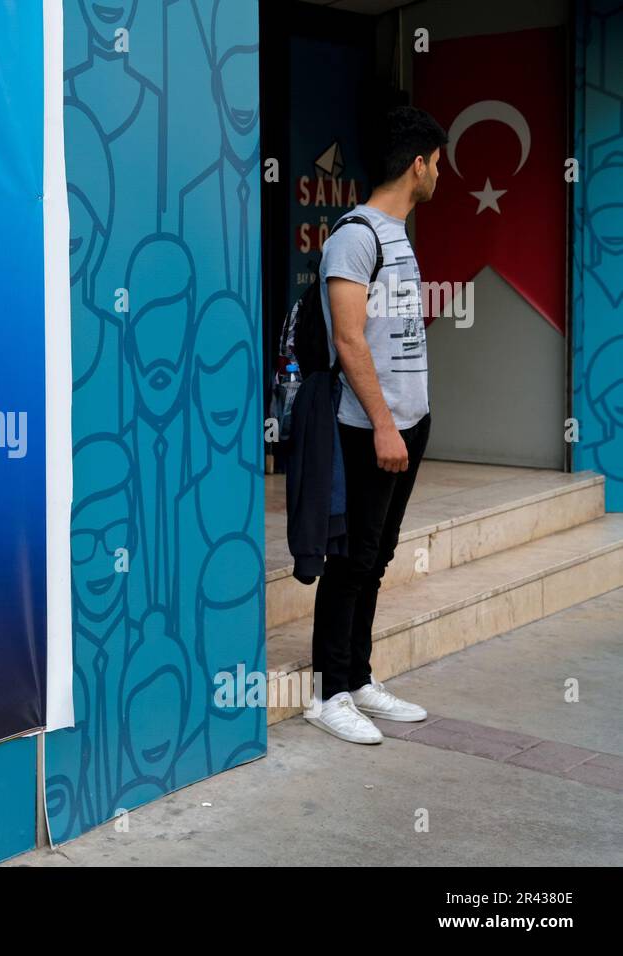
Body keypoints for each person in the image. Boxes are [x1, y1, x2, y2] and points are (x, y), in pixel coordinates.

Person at [304, 106, 446, 745]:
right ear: (418, 165)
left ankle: (358, 678)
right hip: (367, 428)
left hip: (408, 421)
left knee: (378, 555)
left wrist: (412, 420)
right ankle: (328, 691)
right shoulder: (356, 236)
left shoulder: (398, 234)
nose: (440, 174)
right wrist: (385, 426)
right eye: (438, 163)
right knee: (351, 559)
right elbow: (350, 339)